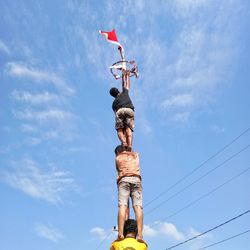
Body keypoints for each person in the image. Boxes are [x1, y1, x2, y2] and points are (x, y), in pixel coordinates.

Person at [114, 145, 143, 240]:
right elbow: (130, 147)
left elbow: (118, 170)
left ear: (118, 152)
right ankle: (140, 234)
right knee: (138, 207)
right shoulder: (135, 155)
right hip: (136, 180)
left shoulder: (118, 158)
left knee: (122, 205)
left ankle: (120, 233)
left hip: (124, 179)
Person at [110, 69, 135, 152]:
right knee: (128, 128)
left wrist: (125, 75)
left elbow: (115, 114)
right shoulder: (124, 93)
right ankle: (130, 145)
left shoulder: (113, 103)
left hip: (119, 111)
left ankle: (124, 142)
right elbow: (127, 84)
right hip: (129, 110)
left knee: (119, 129)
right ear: (118, 91)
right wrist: (126, 76)